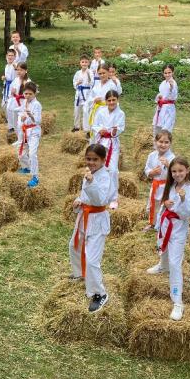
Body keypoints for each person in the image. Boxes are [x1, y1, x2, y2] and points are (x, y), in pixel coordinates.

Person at [146, 157, 190, 321]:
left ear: (187, 170)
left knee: (175, 263)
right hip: (166, 223)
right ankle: (162, 265)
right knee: (162, 247)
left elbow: (189, 213)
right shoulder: (171, 185)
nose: (177, 174)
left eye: (180, 171)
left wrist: (182, 200)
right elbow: (163, 203)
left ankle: (177, 301)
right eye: (174, 171)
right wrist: (165, 206)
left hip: (179, 229)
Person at [69, 144, 116, 313]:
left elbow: (100, 200)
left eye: (95, 159)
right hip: (85, 215)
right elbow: (86, 195)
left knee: (92, 260)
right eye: (88, 159)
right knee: (74, 246)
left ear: (103, 160)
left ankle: (99, 293)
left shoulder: (105, 176)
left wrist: (91, 183)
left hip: (97, 220)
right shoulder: (90, 173)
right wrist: (79, 200)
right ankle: (80, 273)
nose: (91, 162)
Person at [91, 90, 125, 208]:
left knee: (113, 170)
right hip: (100, 142)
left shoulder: (120, 114)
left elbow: (121, 128)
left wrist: (114, 130)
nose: (111, 102)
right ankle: (97, 192)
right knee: (98, 167)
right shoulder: (101, 111)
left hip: (112, 144)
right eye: (109, 100)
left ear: (117, 100)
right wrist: (100, 129)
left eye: (113, 100)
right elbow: (95, 125)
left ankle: (113, 197)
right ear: (106, 101)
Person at [144, 130, 175, 231]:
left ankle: (162, 225)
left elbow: (176, 173)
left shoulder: (172, 157)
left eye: (166, 142)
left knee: (163, 205)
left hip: (166, 186)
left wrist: (168, 165)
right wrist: (151, 172)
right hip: (155, 184)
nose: (163, 144)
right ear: (155, 142)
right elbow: (146, 169)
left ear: (170, 143)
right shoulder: (152, 155)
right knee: (153, 204)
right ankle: (152, 223)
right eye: (161, 141)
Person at [17, 82, 42, 188]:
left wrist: (31, 116)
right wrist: (22, 119)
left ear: (35, 94)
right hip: (25, 130)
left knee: (32, 154)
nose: (27, 96)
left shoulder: (37, 104)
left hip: (34, 131)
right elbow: (20, 114)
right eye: (26, 93)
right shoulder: (24, 102)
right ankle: (27, 167)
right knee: (21, 153)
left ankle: (35, 176)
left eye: (30, 94)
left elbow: (38, 121)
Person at [83, 64, 114, 133]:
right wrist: (94, 100)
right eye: (100, 73)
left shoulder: (112, 85)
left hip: (106, 111)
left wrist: (105, 102)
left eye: (104, 73)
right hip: (96, 109)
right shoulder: (97, 84)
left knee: (104, 130)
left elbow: (114, 100)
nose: (102, 75)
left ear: (108, 72)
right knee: (95, 129)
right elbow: (91, 97)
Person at [152, 64, 178, 139]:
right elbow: (160, 94)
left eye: (169, 72)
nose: (167, 75)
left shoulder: (173, 83)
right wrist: (159, 97)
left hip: (169, 109)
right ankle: (156, 147)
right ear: (163, 73)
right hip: (161, 108)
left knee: (166, 130)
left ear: (173, 72)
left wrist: (171, 87)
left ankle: (165, 147)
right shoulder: (163, 83)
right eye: (165, 73)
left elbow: (173, 96)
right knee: (157, 128)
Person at [7, 62, 30, 143]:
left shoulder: (28, 82)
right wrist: (12, 92)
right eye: (17, 70)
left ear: (26, 71)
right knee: (16, 122)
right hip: (15, 103)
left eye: (21, 70)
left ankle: (24, 140)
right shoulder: (16, 80)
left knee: (22, 122)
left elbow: (30, 96)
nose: (19, 72)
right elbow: (12, 90)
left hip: (23, 104)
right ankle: (19, 139)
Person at [72, 54, 94, 132]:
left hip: (86, 94)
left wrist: (88, 79)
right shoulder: (78, 73)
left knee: (85, 112)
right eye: (82, 62)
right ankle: (76, 126)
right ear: (80, 63)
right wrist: (77, 83)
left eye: (86, 62)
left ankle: (86, 129)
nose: (84, 64)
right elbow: (74, 82)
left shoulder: (90, 72)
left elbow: (91, 83)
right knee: (76, 111)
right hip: (78, 93)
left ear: (88, 63)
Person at [1, 48, 17, 126]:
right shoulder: (7, 65)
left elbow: (18, 73)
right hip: (6, 85)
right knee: (3, 104)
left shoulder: (16, 65)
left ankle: (12, 123)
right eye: (9, 55)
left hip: (13, 87)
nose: (10, 57)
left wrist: (16, 68)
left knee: (10, 105)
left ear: (15, 56)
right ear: (6, 56)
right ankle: (8, 121)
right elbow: (7, 76)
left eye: (12, 55)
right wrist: (4, 78)